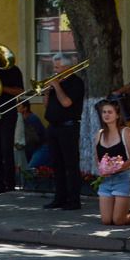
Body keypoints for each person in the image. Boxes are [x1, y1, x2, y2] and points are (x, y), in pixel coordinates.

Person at [93, 99, 130, 226]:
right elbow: (98, 158)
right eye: (104, 112)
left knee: (118, 221)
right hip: (106, 180)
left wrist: (116, 168)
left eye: (110, 112)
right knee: (106, 220)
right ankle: (125, 210)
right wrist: (102, 169)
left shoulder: (125, 132)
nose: (106, 115)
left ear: (117, 115)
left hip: (124, 178)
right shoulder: (100, 134)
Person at [43, 53, 85, 210]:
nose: (55, 70)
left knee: (70, 165)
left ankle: (74, 201)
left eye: (57, 67)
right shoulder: (56, 83)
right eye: (54, 67)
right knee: (56, 164)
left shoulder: (76, 82)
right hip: (53, 127)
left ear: (67, 67)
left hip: (68, 127)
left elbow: (67, 103)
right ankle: (59, 198)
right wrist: (47, 92)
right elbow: (47, 106)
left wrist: (57, 86)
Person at [0, 58, 25, 194]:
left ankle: (9, 182)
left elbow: (20, 91)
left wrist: (0, 88)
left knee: (6, 148)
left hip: (7, 112)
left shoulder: (13, 70)